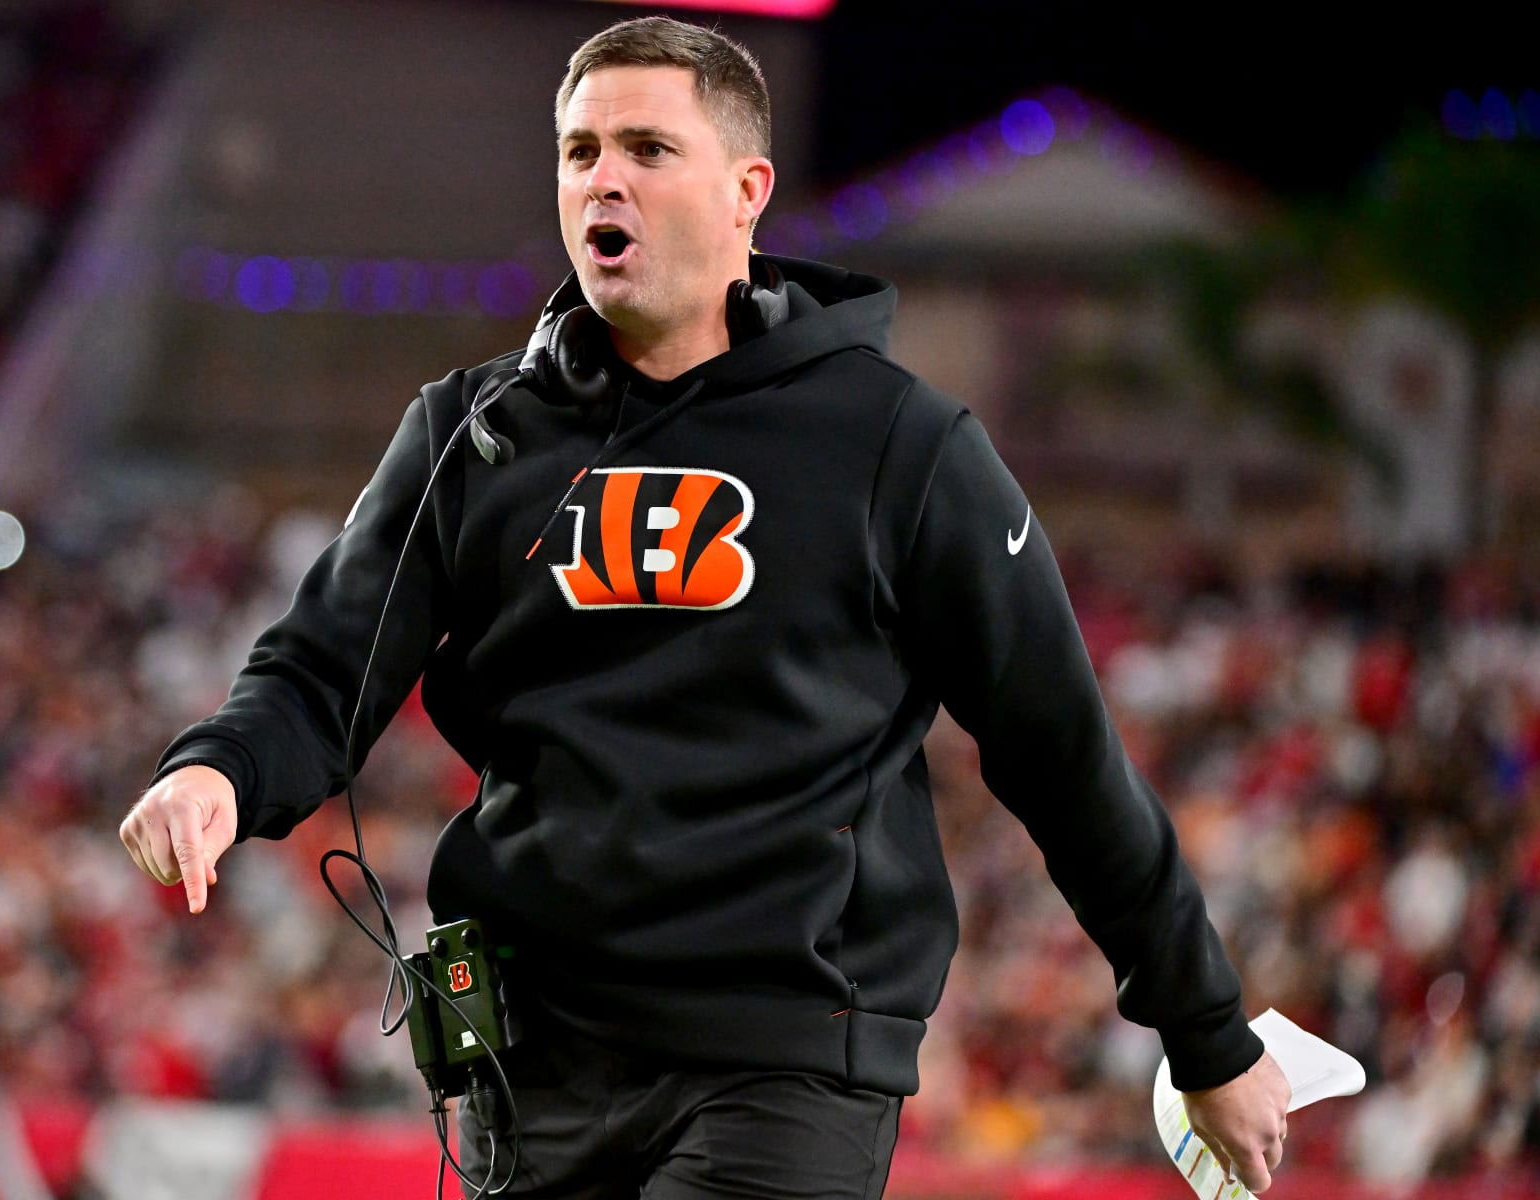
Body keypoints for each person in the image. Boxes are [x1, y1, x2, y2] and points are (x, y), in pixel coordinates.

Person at [120, 15, 1292, 1198]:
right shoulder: (473, 433)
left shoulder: (898, 444)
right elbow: (321, 670)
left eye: (647, 149)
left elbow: (1062, 753)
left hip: (785, 1065)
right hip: (531, 1066)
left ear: (747, 193)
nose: (604, 179)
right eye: (580, 151)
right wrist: (219, 769)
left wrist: (1207, 1034)